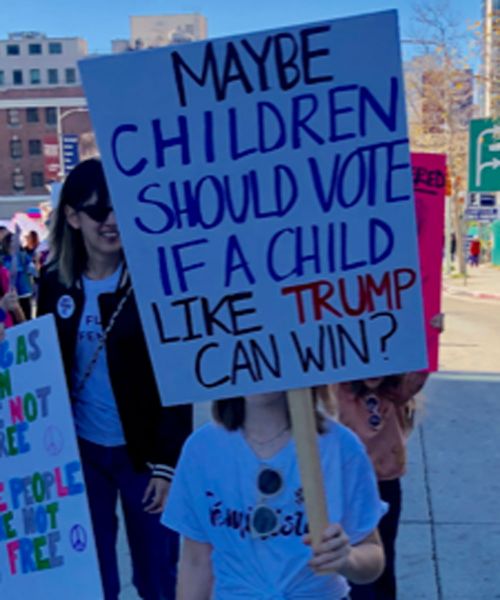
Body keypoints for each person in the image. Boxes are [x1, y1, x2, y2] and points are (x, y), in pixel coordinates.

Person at [37, 158, 193, 600]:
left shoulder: (154, 282)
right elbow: (46, 367)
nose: (111, 221)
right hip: (80, 454)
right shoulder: (54, 283)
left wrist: (168, 464)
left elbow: (177, 376)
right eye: (98, 211)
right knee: (92, 575)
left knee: (158, 574)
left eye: (120, 208)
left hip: (143, 456)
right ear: (71, 217)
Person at [162, 389, 386, 599]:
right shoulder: (202, 448)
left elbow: (372, 555)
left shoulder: (341, 446)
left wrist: (348, 559)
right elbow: (196, 560)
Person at [2, 231, 36, 319]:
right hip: (11, 296)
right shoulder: (4, 259)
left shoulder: (23, 256)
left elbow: (33, 271)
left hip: (24, 294)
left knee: (26, 320)